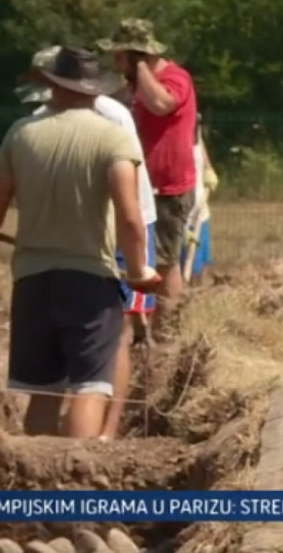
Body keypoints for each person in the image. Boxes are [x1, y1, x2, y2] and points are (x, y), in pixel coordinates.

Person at [0, 47, 161, 440]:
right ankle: (75, 486)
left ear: (53, 86)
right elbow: (130, 216)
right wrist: (140, 270)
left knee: (42, 393)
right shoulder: (113, 138)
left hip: (33, 281)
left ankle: (38, 482)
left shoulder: (21, 134)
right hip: (90, 280)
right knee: (90, 389)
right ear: (94, 90)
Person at [97, 19, 198, 333]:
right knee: (134, 260)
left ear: (137, 56)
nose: (115, 63)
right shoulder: (131, 86)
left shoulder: (175, 79)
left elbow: (160, 104)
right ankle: (139, 330)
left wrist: (140, 68)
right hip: (140, 189)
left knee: (165, 266)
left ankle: (168, 336)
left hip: (167, 190)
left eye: (120, 56)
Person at [181, 114, 218, 286]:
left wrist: (208, 168)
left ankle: (198, 302)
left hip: (199, 210)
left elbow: (200, 145)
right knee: (181, 271)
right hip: (181, 217)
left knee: (202, 266)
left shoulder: (194, 128)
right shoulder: (171, 138)